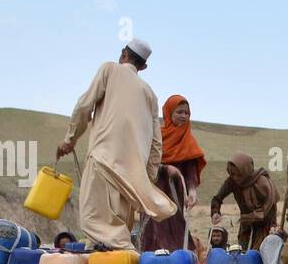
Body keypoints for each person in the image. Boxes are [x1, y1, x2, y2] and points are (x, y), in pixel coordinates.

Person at [56, 39, 176, 251]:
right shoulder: (150, 94)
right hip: (130, 179)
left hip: (103, 163)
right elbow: (157, 144)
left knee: (94, 223)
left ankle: (133, 258)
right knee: (108, 237)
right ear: (144, 67)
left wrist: (69, 140)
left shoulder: (109, 70)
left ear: (123, 54)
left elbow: (84, 107)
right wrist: (145, 180)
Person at [142, 94, 206, 252]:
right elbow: (143, 162)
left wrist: (192, 191)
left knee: (176, 234)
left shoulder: (189, 141)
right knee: (151, 233)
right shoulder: (156, 136)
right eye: (180, 112)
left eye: (187, 113)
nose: (184, 116)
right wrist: (164, 168)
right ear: (168, 113)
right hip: (153, 193)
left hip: (174, 196)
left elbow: (190, 172)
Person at [209, 153, 279, 251]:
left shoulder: (262, 183)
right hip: (245, 224)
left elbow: (268, 209)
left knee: (258, 254)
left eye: (239, 175)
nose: (236, 178)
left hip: (264, 225)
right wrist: (215, 212)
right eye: (233, 175)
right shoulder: (232, 181)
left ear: (246, 171)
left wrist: (273, 225)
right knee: (242, 253)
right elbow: (217, 198)